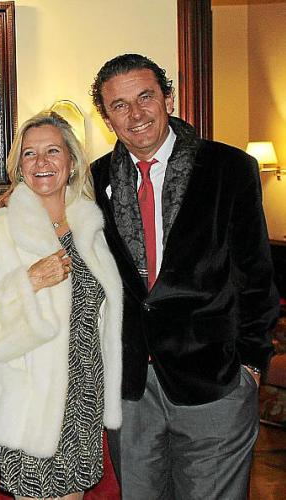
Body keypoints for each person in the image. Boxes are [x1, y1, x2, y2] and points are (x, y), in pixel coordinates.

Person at [89, 54, 279, 499]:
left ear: (168, 99)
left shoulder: (229, 168)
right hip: (130, 389)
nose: (135, 114)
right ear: (107, 119)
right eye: (119, 106)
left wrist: (251, 366)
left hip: (215, 381)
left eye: (145, 97)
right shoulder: (93, 181)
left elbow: (255, 276)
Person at [0, 111, 122, 500]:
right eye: (29, 154)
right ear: (19, 167)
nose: (41, 162)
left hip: (84, 399)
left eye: (52, 151)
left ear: (72, 161)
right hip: (28, 404)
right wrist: (27, 282)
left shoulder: (92, 228)